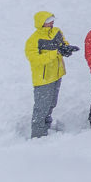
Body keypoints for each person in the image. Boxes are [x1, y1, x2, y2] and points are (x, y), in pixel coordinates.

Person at [24, 11, 78, 139]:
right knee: (41, 107)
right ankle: (38, 136)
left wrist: (66, 49)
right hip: (43, 79)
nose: (52, 22)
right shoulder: (33, 40)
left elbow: (62, 43)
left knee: (51, 104)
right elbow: (35, 59)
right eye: (49, 20)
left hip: (57, 75)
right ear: (41, 23)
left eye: (52, 19)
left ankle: (46, 128)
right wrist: (55, 52)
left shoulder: (56, 31)